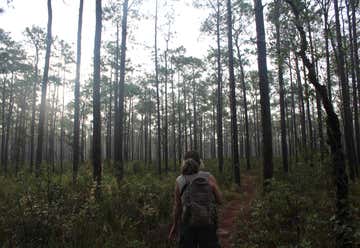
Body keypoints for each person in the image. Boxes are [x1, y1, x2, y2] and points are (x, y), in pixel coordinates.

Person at [168, 151, 222, 248]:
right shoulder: (208, 176)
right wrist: (213, 187)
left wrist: (175, 225)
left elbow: (178, 207)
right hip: (207, 222)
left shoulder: (179, 180)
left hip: (187, 223)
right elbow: (220, 201)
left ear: (184, 162)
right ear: (200, 162)